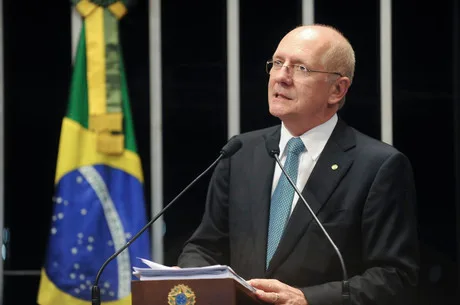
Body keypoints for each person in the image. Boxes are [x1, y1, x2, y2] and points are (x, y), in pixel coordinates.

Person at [177, 24, 419, 305]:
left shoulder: (379, 166)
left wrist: (309, 299)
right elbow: (205, 245)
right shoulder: (240, 153)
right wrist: (192, 275)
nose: (281, 77)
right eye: (277, 63)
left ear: (337, 90)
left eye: (300, 68)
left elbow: (395, 277)